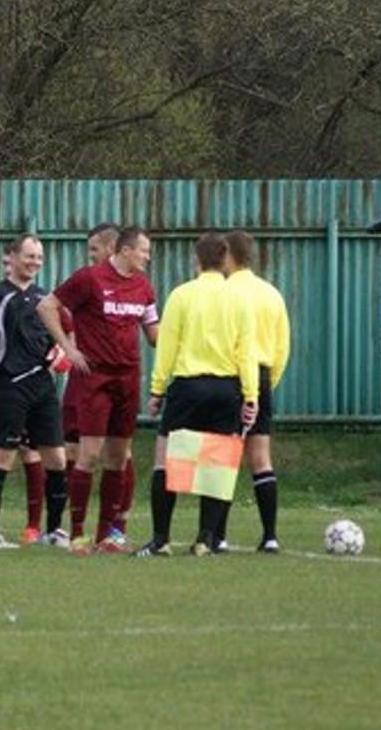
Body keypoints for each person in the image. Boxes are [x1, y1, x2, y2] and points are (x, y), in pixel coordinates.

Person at [135, 232, 258, 557]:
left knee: (165, 463)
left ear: (197, 260)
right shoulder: (239, 299)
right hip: (226, 389)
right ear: (225, 259)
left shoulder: (182, 295)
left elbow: (167, 346)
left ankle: (161, 540)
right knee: (216, 467)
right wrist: (251, 395)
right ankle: (205, 539)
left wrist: (157, 390)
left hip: (188, 388)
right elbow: (246, 351)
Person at [38, 226, 158, 553]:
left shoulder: (144, 287)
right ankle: (77, 533)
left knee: (118, 457)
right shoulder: (90, 279)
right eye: (144, 250)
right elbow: (46, 307)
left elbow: (154, 334)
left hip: (128, 378)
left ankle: (107, 535)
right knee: (88, 454)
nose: (148, 256)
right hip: (96, 379)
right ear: (125, 250)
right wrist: (67, 348)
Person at [0, 234, 69, 550]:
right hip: (7, 387)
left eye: (39, 257)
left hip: (42, 386)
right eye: (29, 256)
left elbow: (59, 341)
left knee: (57, 458)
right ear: (10, 257)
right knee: (1, 456)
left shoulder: (45, 298)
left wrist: (59, 354)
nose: (35, 262)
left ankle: (53, 531)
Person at [213, 230, 290, 553]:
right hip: (260, 376)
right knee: (260, 457)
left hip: (229, 377)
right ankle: (270, 536)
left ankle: (218, 536)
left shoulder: (222, 291)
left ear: (227, 254)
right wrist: (263, 386)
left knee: (224, 457)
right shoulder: (271, 293)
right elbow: (282, 345)